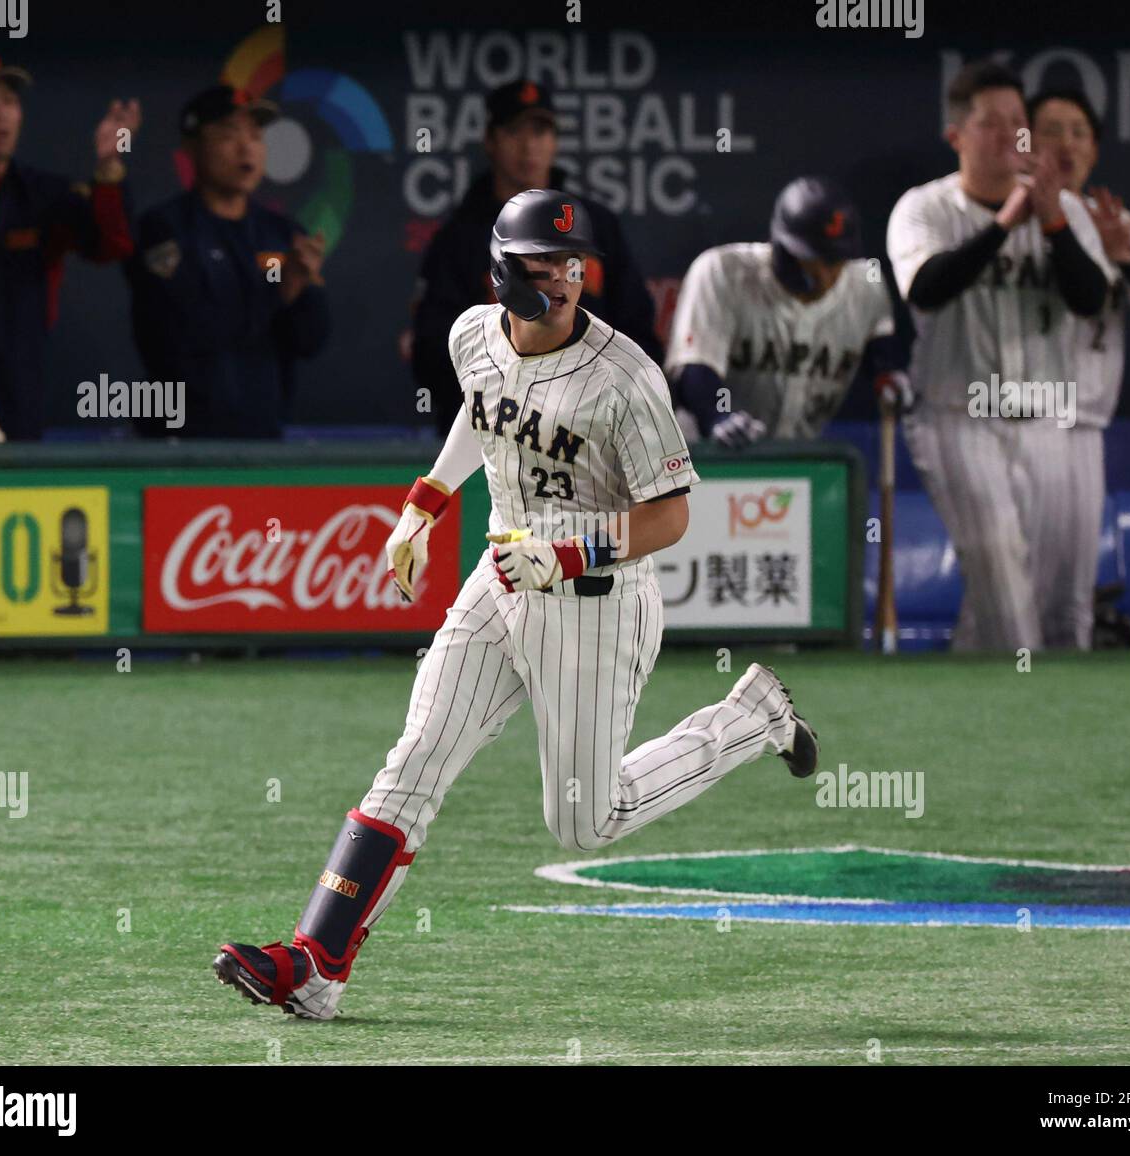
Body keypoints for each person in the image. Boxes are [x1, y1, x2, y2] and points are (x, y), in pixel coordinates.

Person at [212, 190, 819, 1019]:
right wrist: (421, 507)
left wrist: (565, 554)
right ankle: (313, 966)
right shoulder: (472, 334)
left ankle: (751, 718)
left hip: (597, 603)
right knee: (416, 756)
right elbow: (485, 414)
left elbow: (672, 515)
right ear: (503, 273)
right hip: (500, 579)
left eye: (572, 264)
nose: (564, 280)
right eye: (544, 265)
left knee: (586, 823)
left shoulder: (626, 377)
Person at [887, 59, 1110, 652]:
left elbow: (1091, 299)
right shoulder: (924, 209)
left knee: (1037, 600)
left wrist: (1052, 220)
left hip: (1046, 418)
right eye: (993, 122)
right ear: (957, 135)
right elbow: (929, 286)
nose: (1014, 133)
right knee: (1005, 584)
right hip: (956, 416)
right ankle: (1031, 716)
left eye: (1020, 120)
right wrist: (1009, 220)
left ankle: (972, 696)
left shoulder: (1065, 210)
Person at [1026, 88, 1130, 648]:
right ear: (1025, 139)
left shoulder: (1115, 223)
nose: (1066, 142)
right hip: (1008, 420)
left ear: (1095, 148)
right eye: (1051, 129)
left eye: (1079, 131)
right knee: (1006, 591)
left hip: (1081, 429)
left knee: (1069, 599)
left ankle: (1051, 716)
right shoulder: (1007, 209)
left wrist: (1128, 264)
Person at [411, 80, 661, 435]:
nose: (529, 146)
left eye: (541, 131)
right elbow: (433, 352)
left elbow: (638, 338)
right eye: (514, 131)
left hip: (591, 428)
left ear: (555, 141)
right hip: (494, 428)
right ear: (491, 141)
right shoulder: (461, 238)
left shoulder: (593, 225)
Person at [0, 52, 138, 441]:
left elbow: (112, 246)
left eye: (8, 101)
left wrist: (110, 169)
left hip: (20, 390)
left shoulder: (44, 194)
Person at [125, 85, 329, 438]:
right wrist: (281, 293)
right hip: (182, 438)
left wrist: (305, 288)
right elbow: (182, 334)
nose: (246, 147)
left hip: (262, 433)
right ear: (192, 147)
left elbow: (309, 340)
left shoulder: (282, 232)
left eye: (255, 135)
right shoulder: (164, 228)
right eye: (229, 134)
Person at [667, 176, 903, 448]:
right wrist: (717, 415)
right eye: (813, 260)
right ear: (782, 247)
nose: (825, 277)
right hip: (704, 453)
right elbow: (696, 368)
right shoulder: (722, 271)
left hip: (795, 459)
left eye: (834, 261)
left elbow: (882, 355)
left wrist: (890, 376)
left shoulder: (866, 284)